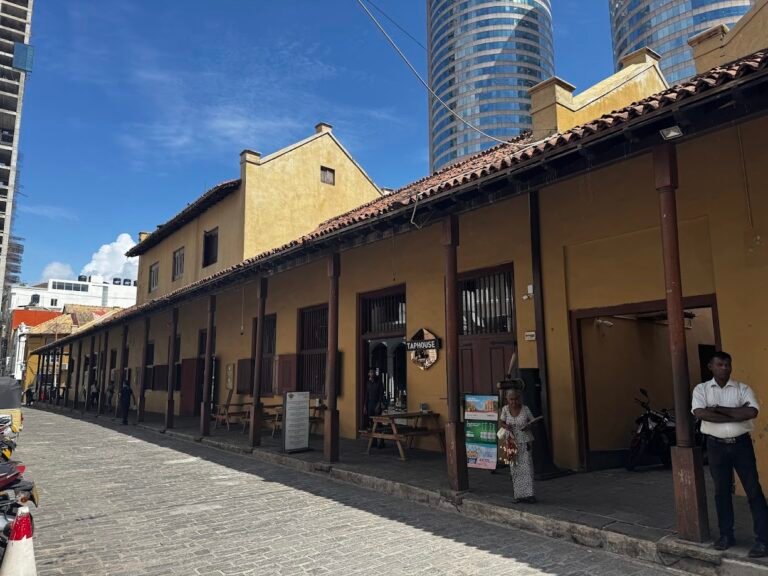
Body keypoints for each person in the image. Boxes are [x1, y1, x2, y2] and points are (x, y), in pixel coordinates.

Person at [692, 351, 768, 558]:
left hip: (741, 445)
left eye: (727, 365)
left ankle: (763, 540)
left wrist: (717, 409)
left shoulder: (742, 389)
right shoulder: (701, 389)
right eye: (720, 364)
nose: (724, 368)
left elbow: (751, 413)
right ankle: (726, 535)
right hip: (715, 447)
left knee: (753, 491)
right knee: (721, 491)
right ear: (711, 366)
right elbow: (700, 413)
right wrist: (734, 413)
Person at [500, 389, 536, 503]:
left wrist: (528, 427)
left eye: (516, 399)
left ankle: (529, 495)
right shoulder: (505, 409)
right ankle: (518, 495)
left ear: (519, 398)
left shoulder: (525, 409)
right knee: (514, 469)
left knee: (527, 468)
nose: (514, 402)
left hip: (525, 442)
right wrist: (506, 427)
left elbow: (533, 422)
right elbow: (502, 422)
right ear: (507, 399)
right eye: (511, 399)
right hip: (511, 442)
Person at [364, 369, 385, 448]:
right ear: (369, 374)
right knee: (372, 423)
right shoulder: (368, 383)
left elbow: (381, 394)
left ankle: (382, 441)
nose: (371, 374)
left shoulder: (379, 382)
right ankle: (374, 441)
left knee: (378, 423)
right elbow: (367, 395)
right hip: (370, 404)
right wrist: (365, 405)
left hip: (377, 403)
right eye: (370, 372)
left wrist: (379, 404)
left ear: (375, 374)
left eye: (373, 372)